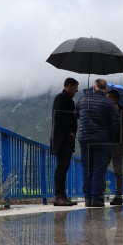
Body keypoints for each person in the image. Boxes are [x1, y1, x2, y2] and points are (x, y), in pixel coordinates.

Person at [76, 79, 119, 207]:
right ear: (105, 89)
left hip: (84, 139)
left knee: (87, 169)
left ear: (94, 87)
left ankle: (87, 199)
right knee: (99, 169)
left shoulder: (82, 100)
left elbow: (77, 115)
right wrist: (111, 138)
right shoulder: (109, 103)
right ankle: (96, 199)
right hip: (102, 139)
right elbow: (115, 123)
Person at [50, 77, 79, 206]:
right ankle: (58, 196)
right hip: (62, 139)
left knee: (64, 167)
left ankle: (62, 196)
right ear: (69, 86)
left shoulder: (68, 100)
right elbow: (59, 118)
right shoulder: (61, 98)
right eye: (75, 87)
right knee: (61, 167)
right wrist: (69, 131)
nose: (76, 90)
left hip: (66, 140)